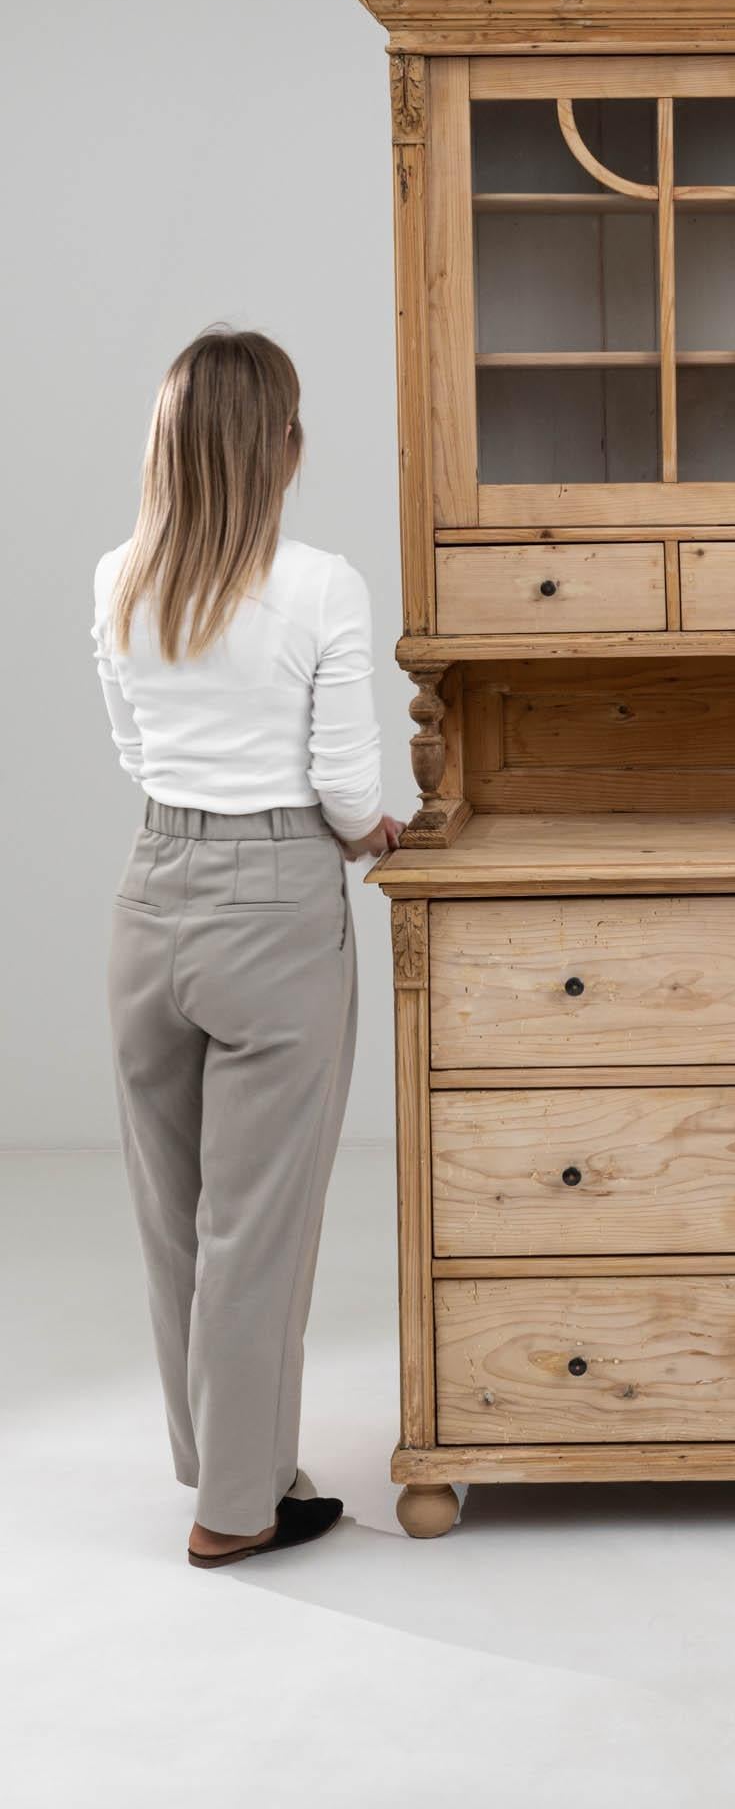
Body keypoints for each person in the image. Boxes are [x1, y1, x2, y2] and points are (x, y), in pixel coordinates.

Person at [92, 328, 402, 1567]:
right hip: (274, 900)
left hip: (150, 892)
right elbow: (342, 786)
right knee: (257, 1225)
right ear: (280, 444)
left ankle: (226, 1462)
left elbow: (134, 750)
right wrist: (374, 830)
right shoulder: (320, 583)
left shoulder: (118, 574)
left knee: (178, 1217)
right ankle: (238, 1507)